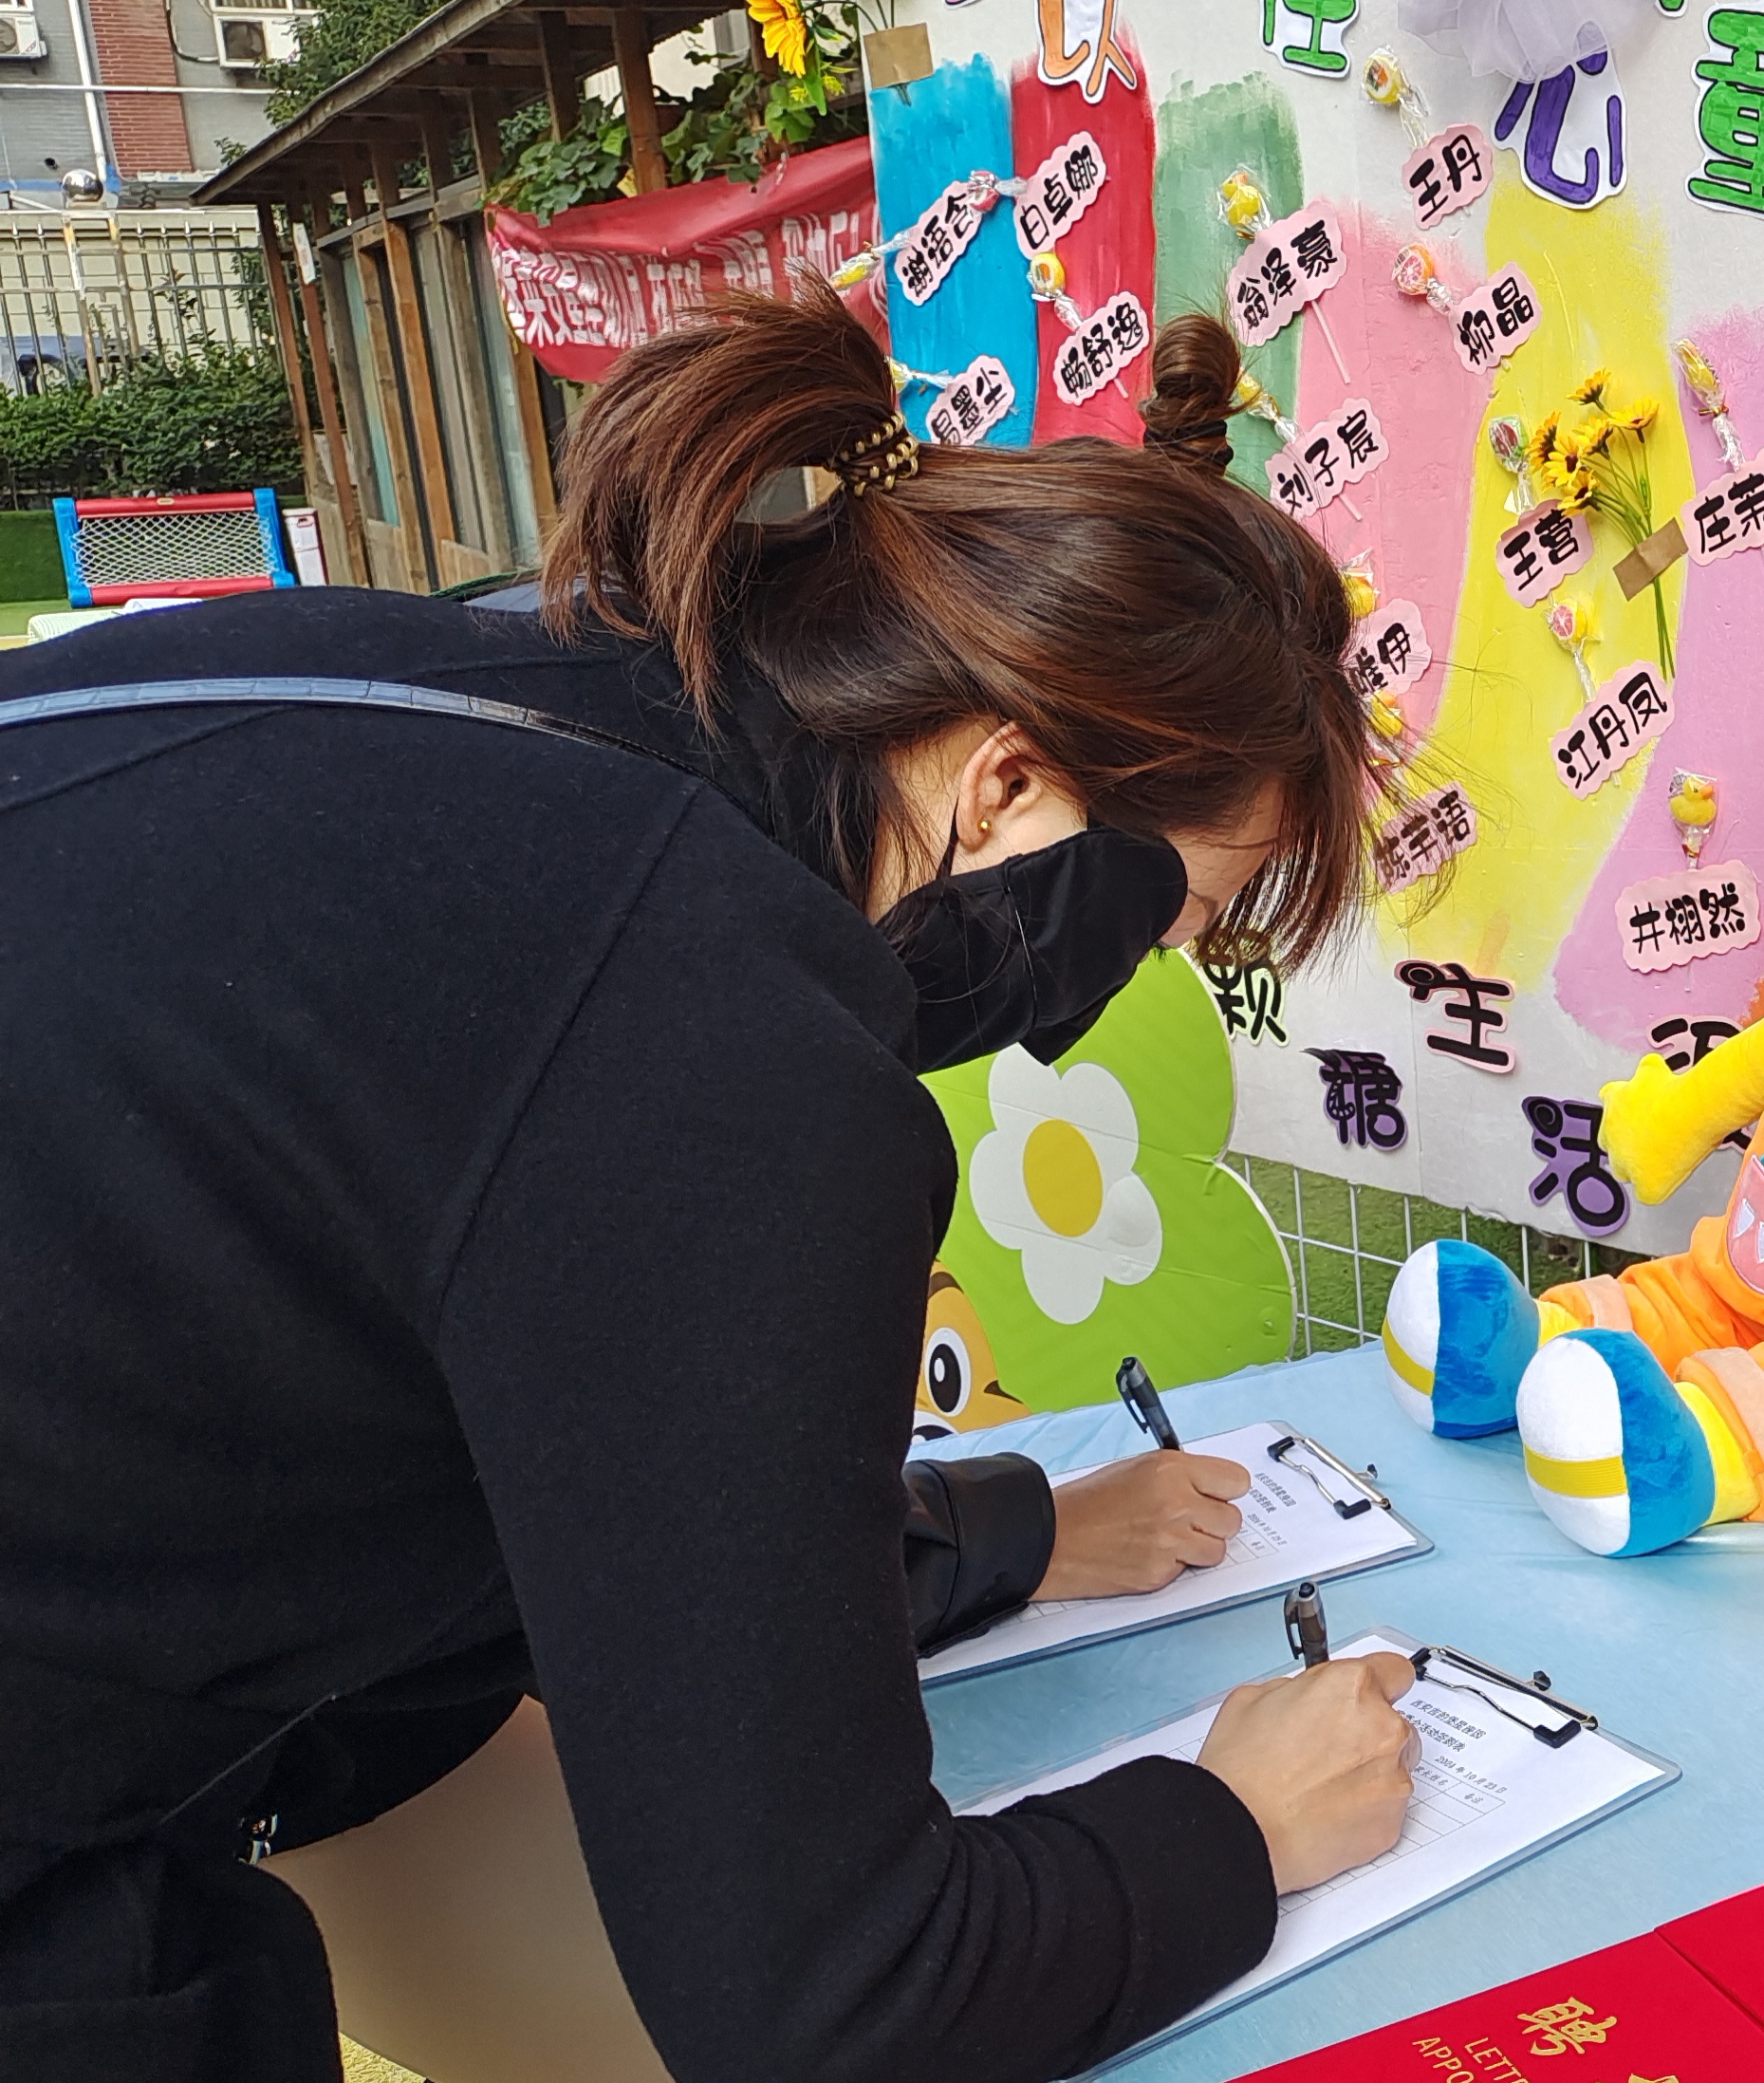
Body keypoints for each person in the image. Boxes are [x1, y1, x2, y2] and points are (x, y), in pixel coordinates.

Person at [0, 286, 1418, 2083]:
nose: (1132, 984)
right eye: (1174, 918)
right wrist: (1237, 1823)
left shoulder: (501, 694)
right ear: (1007, 784)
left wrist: (1010, 1539)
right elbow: (835, 2006)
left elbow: (616, 1473)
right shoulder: (717, 1040)